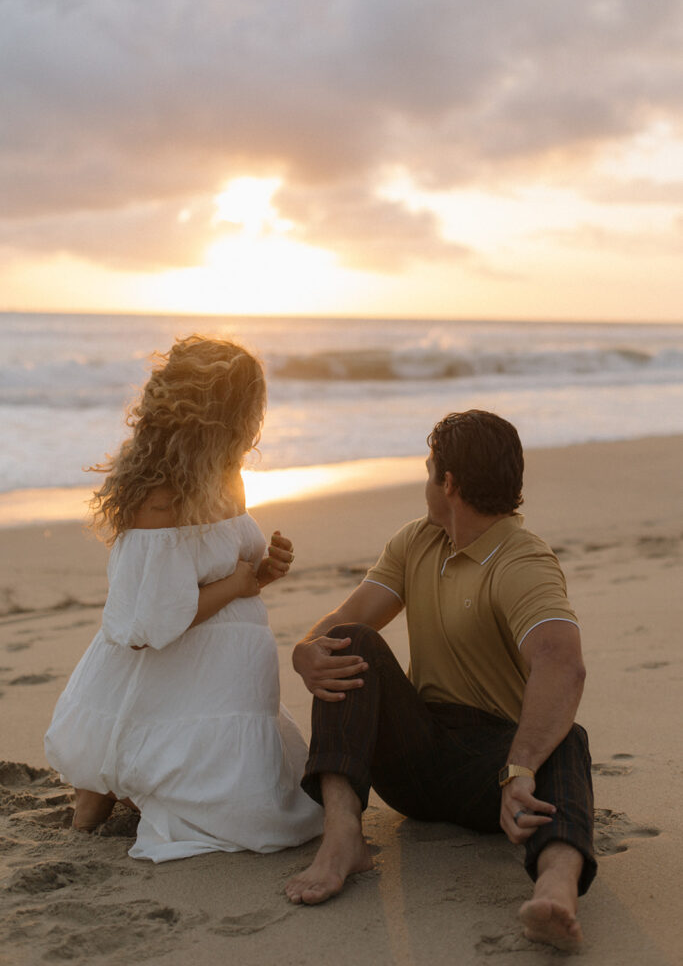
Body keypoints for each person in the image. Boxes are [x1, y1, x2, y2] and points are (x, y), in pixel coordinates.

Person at [285, 410, 594, 952]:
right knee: (351, 642)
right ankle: (342, 836)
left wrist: (519, 768)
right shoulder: (416, 542)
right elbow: (339, 623)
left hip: (494, 776)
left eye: (429, 469)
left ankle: (555, 888)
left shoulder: (523, 560)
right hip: (415, 756)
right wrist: (304, 653)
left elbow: (561, 664)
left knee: (568, 740)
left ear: (448, 483)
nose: (425, 479)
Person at [45, 334, 323, 862]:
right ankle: (97, 804)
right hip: (163, 669)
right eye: (250, 409)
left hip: (224, 678)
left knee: (261, 809)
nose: (255, 423)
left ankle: (134, 788)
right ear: (225, 415)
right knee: (131, 764)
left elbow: (227, 572)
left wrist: (263, 573)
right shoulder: (158, 498)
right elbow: (148, 626)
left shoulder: (230, 475)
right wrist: (239, 585)